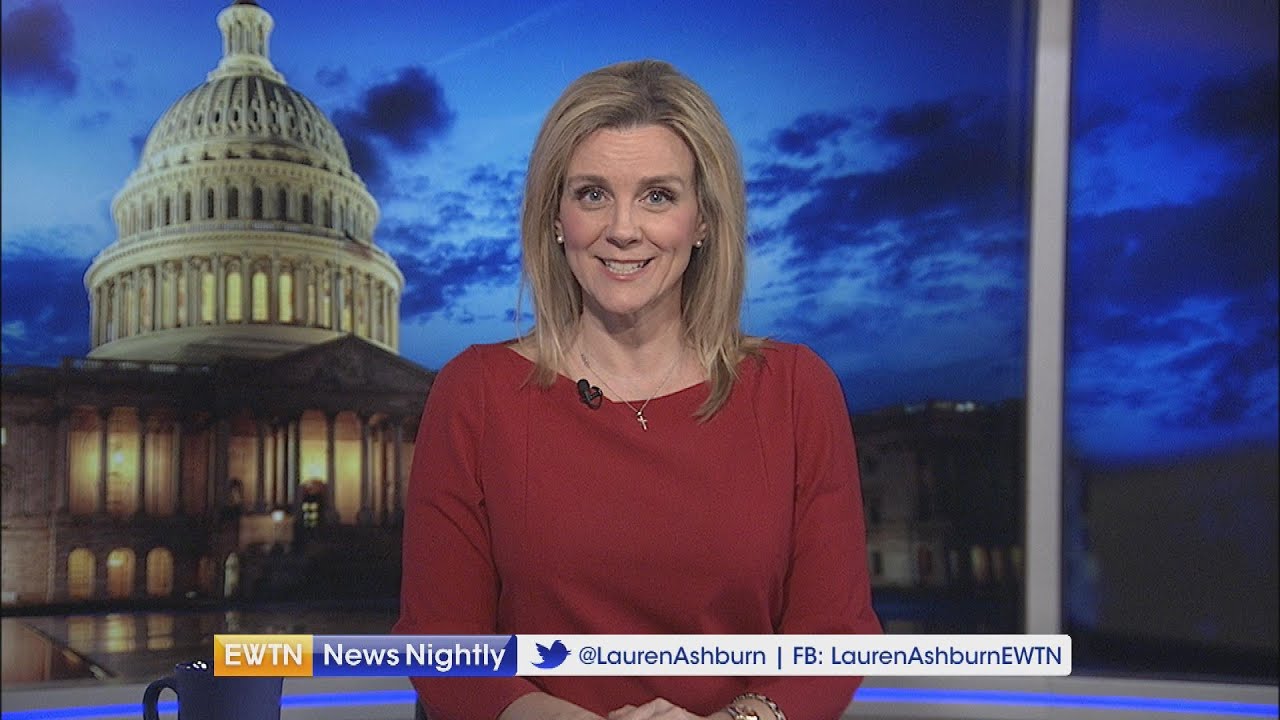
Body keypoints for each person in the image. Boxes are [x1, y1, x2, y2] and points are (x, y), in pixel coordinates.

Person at [394, 59, 881, 720]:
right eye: (593, 194)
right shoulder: (475, 393)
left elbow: (835, 635)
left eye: (658, 196)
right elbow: (440, 643)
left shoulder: (796, 390)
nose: (623, 229)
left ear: (702, 220)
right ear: (556, 217)